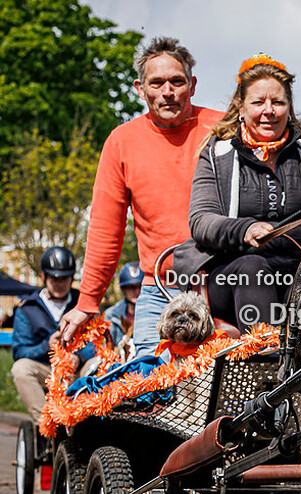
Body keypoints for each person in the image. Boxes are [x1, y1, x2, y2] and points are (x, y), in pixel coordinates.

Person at [59, 37, 223, 356]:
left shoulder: (222, 128)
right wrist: (87, 302)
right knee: (149, 389)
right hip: (159, 289)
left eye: (177, 81)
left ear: (192, 84)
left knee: (234, 394)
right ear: (140, 88)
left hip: (225, 284)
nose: (167, 91)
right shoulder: (121, 142)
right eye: (157, 82)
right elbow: (106, 231)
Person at [174, 53, 301, 331]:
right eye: (258, 102)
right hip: (233, 276)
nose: (269, 110)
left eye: (278, 102)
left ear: (289, 108)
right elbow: (201, 221)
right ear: (241, 107)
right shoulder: (217, 155)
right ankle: (265, 360)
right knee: (253, 267)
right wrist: (245, 229)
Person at [11, 248, 93, 424]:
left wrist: (79, 357)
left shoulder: (85, 304)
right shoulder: (27, 309)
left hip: (79, 370)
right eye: (54, 278)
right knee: (21, 368)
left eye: (64, 278)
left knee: (100, 363)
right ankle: (48, 424)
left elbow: (98, 343)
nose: (59, 283)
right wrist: (46, 346)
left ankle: (91, 421)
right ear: (44, 276)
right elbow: (19, 351)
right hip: (46, 369)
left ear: (72, 277)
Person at [104, 262, 144, 359]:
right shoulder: (111, 314)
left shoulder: (154, 313)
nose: (136, 291)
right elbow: (105, 347)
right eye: (131, 287)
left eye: (140, 286)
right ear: (123, 289)